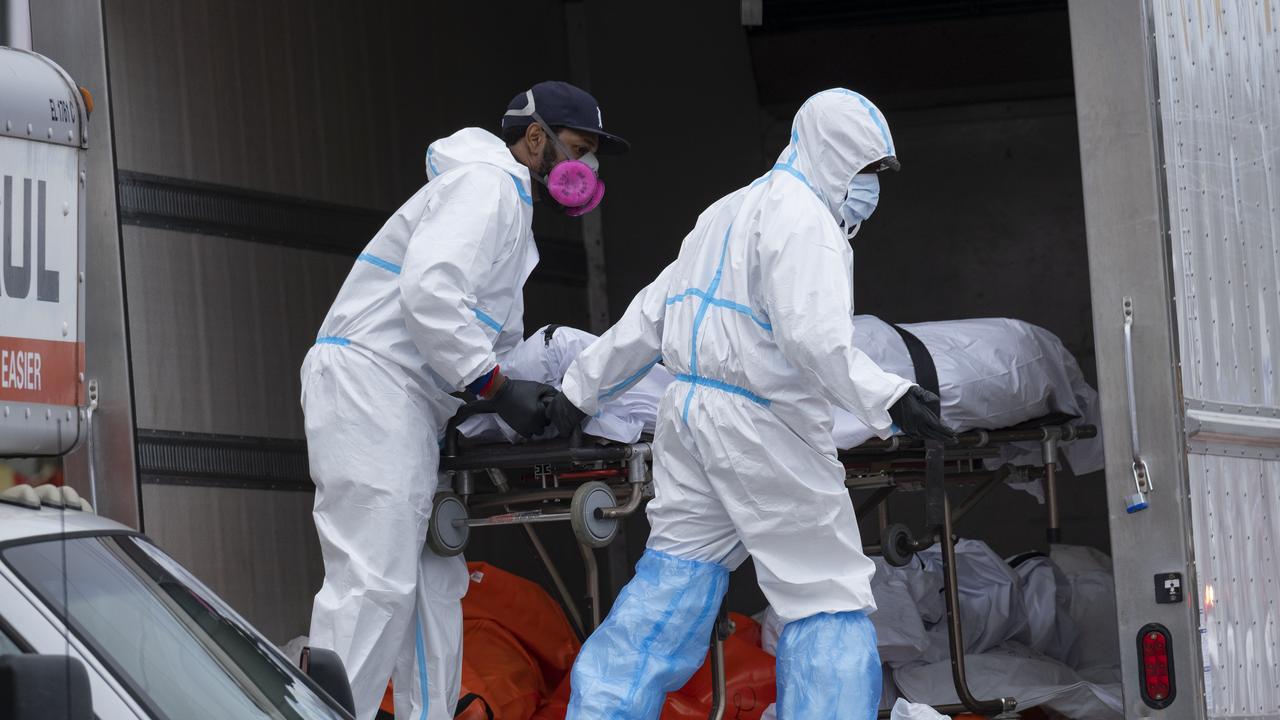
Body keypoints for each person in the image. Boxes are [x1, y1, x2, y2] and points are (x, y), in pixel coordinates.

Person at [546, 88, 953, 719]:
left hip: (688, 419)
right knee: (825, 592)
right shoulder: (807, 222)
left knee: (673, 579)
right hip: (762, 423)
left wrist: (578, 393)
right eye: (868, 169)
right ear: (835, 154)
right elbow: (812, 337)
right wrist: (892, 395)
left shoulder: (725, 212)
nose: (873, 186)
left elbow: (651, 313)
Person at [301, 81, 628, 720]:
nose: (584, 170)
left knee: (432, 585)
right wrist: (498, 391)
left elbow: (490, 340)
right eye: (580, 150)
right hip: (373, 384)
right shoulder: (487, 187)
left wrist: (519, 391)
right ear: (536, 138)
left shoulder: (510, 215)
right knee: (373, 583)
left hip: (410, 402)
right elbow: (430, 295)